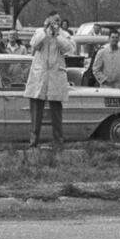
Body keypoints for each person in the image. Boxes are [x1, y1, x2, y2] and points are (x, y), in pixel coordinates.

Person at [24, 13, 75, 146]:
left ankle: (58, 141)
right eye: (53, 20)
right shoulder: (39, 32)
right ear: (47, 20)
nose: (56, 23)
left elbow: (69, 49)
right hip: (40, 75)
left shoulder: (63, 34)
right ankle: (33, 141)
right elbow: (33, 44)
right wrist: (46, 32)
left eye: (58, 20)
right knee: (36, 110)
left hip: (55, 76)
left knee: (56, 111)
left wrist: (57, 35)